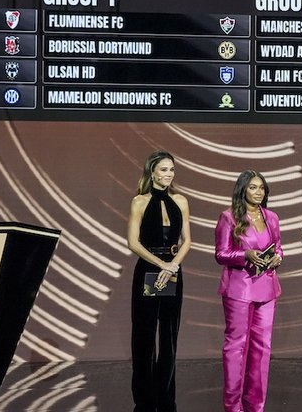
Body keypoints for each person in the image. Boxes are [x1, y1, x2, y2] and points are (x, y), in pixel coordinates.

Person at [127, 151, 191, 412]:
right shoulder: (139, 202)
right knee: (143, 335)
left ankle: (165, 396)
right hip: (148, 270)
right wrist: (161, 264)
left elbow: (187, 240)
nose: (169, 174)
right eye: (164, 170)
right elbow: (133, 242)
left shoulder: (181, 201)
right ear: (152, 172)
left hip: (173, 271)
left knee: (169, 335)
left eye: (172, 170)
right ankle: (144, 399)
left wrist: (173, 265)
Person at [214, 170, 283, 412]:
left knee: (262, 349)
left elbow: (278, 248)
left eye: (262, 188)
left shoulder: (271, 217)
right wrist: (245, 254)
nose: (258, 192)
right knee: (236, 348)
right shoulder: (229, 217)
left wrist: (277, 258)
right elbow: (221, 254)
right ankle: (233, 407)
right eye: (253, 187)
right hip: (239, 289)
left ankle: (255, 406)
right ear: (242, 189)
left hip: (267, 288)